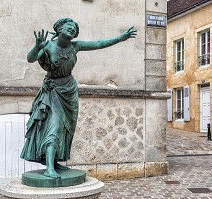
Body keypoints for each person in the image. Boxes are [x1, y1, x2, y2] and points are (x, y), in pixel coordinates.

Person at [20, 18, 137, 178]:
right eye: (69, 27)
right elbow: (30, 58)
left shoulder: (75, 46)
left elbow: (99, 44)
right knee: (54, 126)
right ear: (59, 29)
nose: (72, 30)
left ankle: (54, 162)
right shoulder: (47, 45)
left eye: (74, 29)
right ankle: (49, 168)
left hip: (69, 91)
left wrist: (120, 38)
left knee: (65, 129)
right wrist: (37, 47)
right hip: (53, 91)